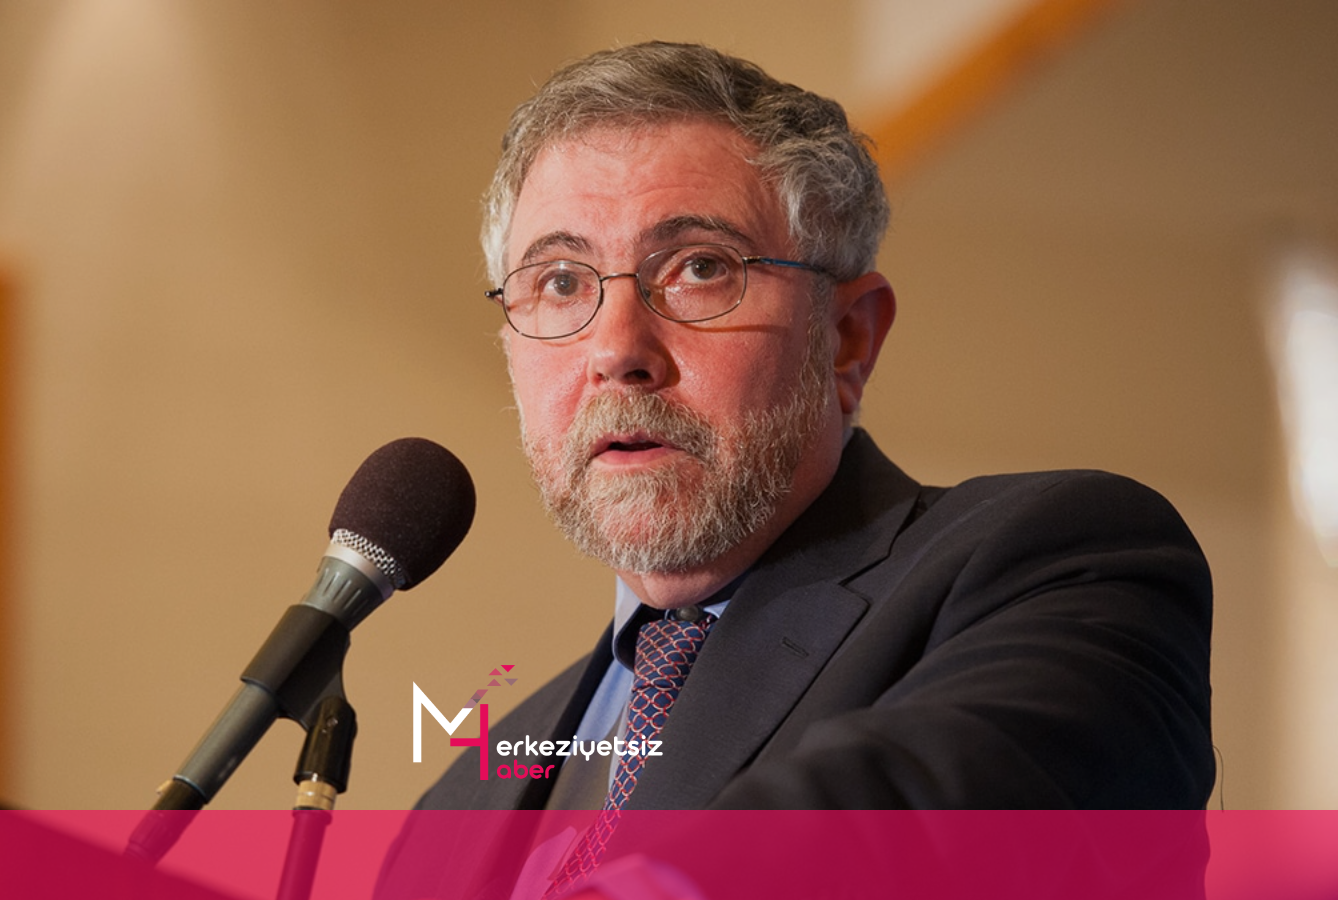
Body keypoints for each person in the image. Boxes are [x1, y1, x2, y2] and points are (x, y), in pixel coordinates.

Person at [384, 40, 1212, 899]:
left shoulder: (1057, 565)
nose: (617, 350)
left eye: (700, 268)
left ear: (847, 338)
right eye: (560, 282)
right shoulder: (455, 809)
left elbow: (938, 810)